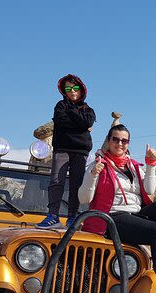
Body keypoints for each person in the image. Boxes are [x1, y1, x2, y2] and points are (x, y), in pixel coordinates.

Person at [78, 124, 156, 293]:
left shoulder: (133, 166)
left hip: (134, 214)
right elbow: (83, 198)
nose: (120, 143)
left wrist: (151, 164)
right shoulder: (98, 164)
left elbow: (149, 190)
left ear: (128, 143)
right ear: (108, 141)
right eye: (115, 139)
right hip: (112, 217)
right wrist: (92, 175)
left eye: (124, 140)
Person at [37, 73, 96, 228]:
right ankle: (53, 216)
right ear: (64, 91)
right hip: (62, 148)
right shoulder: (60, 106)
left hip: (81, 152)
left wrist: (74, 116)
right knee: (56, 181)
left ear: (81, 89)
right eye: (68, 88)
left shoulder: (88, 109)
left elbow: (87, 121)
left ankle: (72, 217)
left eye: (75, 87)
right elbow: (63, 122)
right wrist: (81, 125)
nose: (72, 91)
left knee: (77, 184)